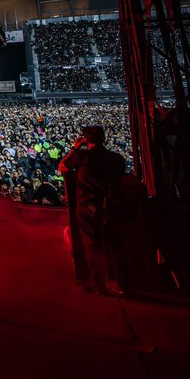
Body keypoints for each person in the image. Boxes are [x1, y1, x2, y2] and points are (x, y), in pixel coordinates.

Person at [58, 125, 126, 295]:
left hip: (88, 206)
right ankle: (119, 281)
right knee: (111, 242)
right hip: (110, 205)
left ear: (86, 140)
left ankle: (98, 284)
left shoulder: (83, 157)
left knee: (92, 243)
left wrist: (75, 148)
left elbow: (63, 167)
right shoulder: (117, 158)